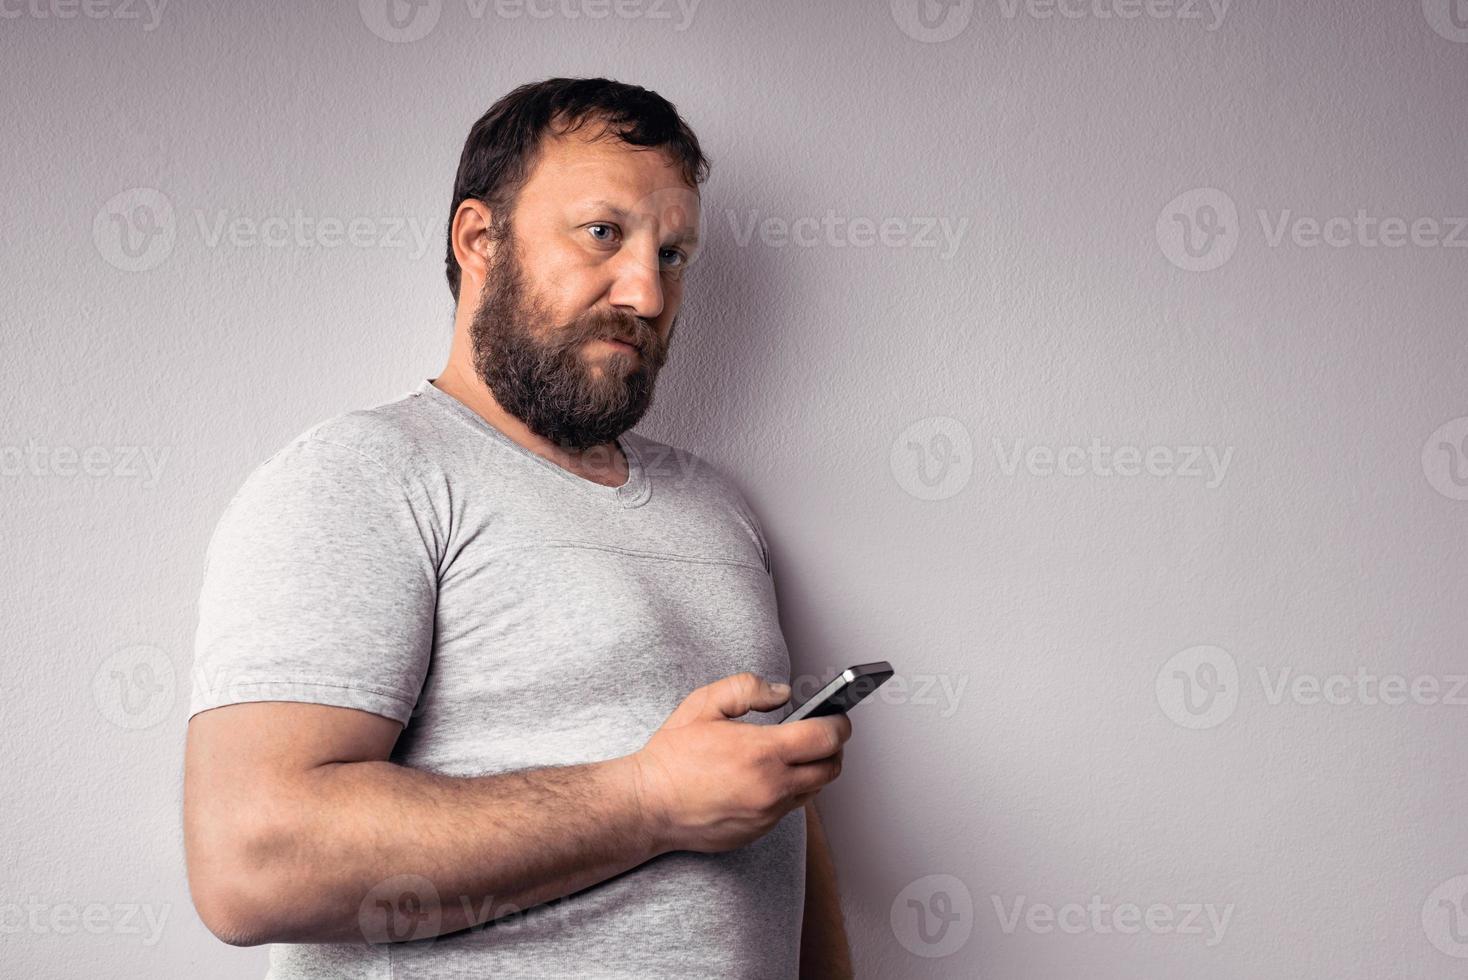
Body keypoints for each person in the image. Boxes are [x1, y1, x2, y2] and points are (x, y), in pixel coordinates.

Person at [182, 76, 854, 979]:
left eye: (675, 253)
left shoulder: (720, 509)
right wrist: (650, 798)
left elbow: (779, 826)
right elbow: (250, 865)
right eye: (604, 234)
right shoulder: (361, 477)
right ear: (479, 240)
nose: (648, 295)